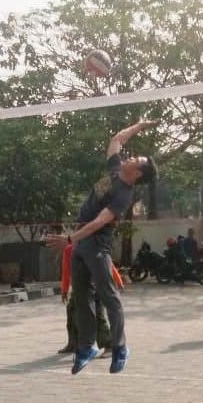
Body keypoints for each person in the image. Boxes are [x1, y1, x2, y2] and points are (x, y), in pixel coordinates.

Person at [46, 121, 158, 375]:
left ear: (138, 173)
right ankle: (87, 346)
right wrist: (140, 125)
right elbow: (117, 139)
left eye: (136, 158)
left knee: (109, 298)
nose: (129, 156)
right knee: (81, 297)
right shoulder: (115, 168)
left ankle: (119, 347)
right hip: (81, 244)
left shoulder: (123, 195)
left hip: (96, 245)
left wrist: (71, 239)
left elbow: (98, 223)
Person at [58, 241, 123, 355]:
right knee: (72, 312)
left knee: (98, 316)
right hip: (79, 288)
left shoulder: (94, 247)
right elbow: (66, 270)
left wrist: (117, 280)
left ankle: (109, 345)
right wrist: (64, 289)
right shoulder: (69, 250)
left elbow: (108, 264)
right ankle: (73, 343)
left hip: (96, 286)